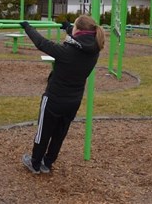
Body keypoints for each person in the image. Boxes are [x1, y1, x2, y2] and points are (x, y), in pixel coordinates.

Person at [19, 15, 105, 175]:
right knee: (59, 132)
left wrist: (27, 27)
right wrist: (68, 27)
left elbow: (42, 43)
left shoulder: (67, 51)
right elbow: (78, 39)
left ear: (78, 30)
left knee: (43, 131)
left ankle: (35, 163)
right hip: (73, 101)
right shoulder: (95, 49)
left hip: (54, 98)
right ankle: (47, 162)